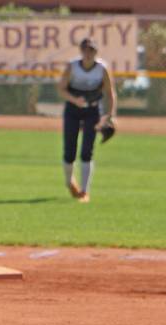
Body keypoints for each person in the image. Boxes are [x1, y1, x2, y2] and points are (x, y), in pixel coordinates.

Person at [57, 37, 117, 203]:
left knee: (87, 151)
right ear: (81, 51)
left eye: (92, 50)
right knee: (69, 150)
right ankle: (70, 182)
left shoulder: (101, 68)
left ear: (96, 52)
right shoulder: (73, 66)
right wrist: (74, 100)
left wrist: (110, 116)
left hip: (92, 110)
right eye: (85, 49)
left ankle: (84, 191)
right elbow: (61, 89)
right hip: (73, 110)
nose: (88, 53)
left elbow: (110, 93)